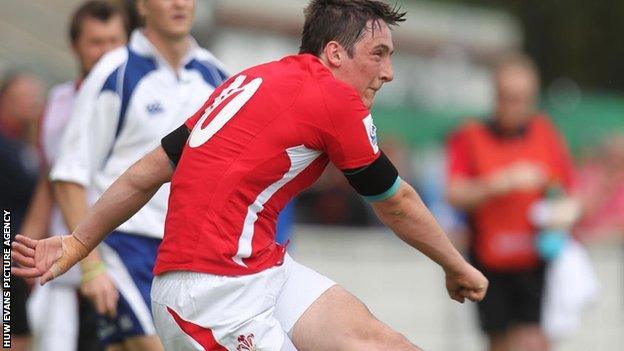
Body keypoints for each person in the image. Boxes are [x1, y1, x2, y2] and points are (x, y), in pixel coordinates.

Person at [13, 1, 488, 350]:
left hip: (259, 269)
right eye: (379, 54)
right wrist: (457, 264)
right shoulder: (334, 99)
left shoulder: (250, 77)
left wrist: (77, 243)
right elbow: (396, 201)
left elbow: (147, 172)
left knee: (386, 345)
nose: (388, 73)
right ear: (335, 53)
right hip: (206, 295)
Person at [46, 0, 227, 350]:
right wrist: (92, 267)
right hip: (122, 245)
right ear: (142, 6)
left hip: (188, 253)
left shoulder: (215, 75)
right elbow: (69, 175)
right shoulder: (115, 71)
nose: (179, 4)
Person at [446, 54, 574, 351]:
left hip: (536, 261)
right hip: (490, 261)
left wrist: (563, 213)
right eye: (507, 98)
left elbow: (567, 190)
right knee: (500, 343)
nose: (514, 107)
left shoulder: (544, 132)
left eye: (522, 99)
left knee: (534, 341)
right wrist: (499, 184)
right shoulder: (471, 135)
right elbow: (455, 194)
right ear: (495, 96)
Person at [20, 2, 128, 351]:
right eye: (97, 42)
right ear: (75, 46)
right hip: (64, 258)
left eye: (115, 40)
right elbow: (51, 182)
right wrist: (19, 254)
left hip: (126, 258)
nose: (108, 51)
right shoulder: (59, 100)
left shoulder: (140, 99)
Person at [0, 72, 46, 351]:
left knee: (16, 334)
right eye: (24, 96)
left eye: (35, 97)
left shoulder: (30, 146)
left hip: (16, 252)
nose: (31, 103)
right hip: (5, 247)